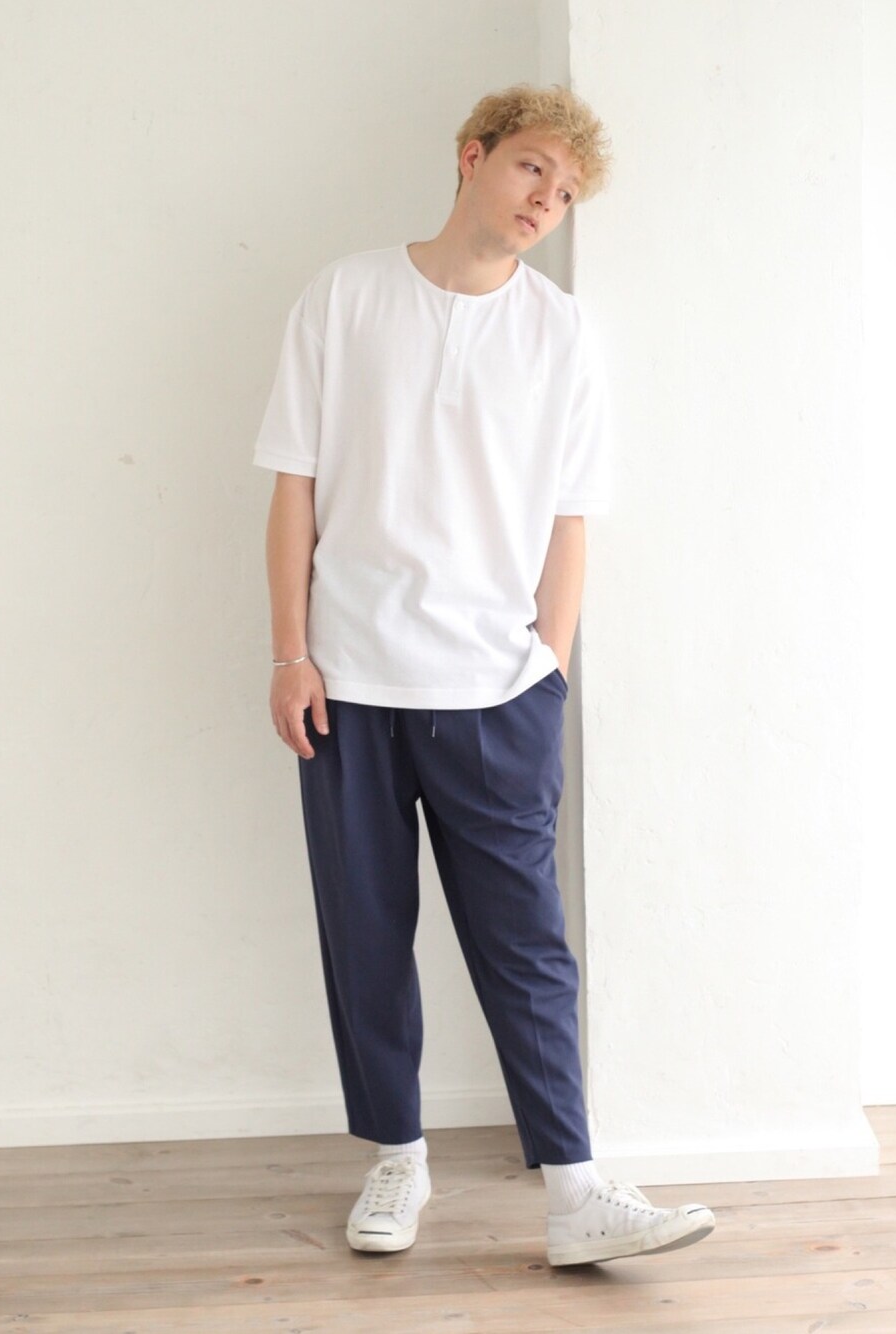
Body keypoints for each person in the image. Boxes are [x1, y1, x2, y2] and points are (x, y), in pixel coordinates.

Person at [253, 82, 715, 1267]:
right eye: (531, 168)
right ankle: (397, 1157)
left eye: (566, 191)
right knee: (365, 933)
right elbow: (295, 487)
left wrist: (545, 668)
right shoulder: (346, 295)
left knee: (527, 946)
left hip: (495, 690)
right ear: (473, 157)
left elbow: (571, 516)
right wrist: (291, 652)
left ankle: (576, 1189)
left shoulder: (561, 331)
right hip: (348, 683)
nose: (545, 200)